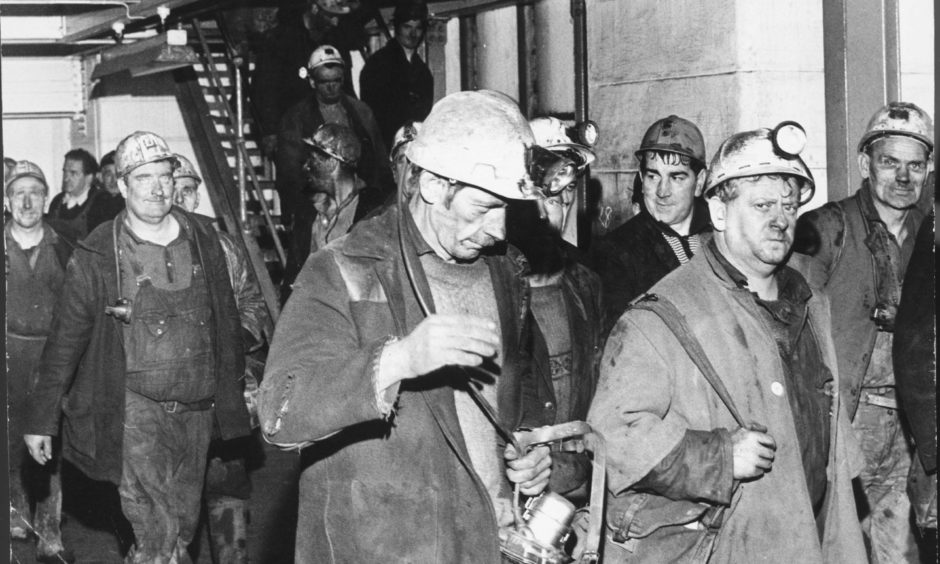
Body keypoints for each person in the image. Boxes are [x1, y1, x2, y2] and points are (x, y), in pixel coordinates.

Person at [258, 90, 554, 563]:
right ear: (434, 185)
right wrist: (397, 360)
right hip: (386, 546)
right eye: (482, 209)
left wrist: (534, 447)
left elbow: (525, 385)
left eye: (507, 210)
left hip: (483, 541)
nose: (498, 230)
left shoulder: (506, 271)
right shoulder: (344, 270)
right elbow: (279, 411)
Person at [589, 125, 866, 563]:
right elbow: (613, 437)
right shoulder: (661, 316)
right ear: (718, 212)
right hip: (730, 546)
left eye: (789, 206)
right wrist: (718, 456)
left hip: (811, 539)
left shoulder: (812, 304)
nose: (780, 219)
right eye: (762, 206)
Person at [24, 131, 251, 564]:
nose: (158, 187)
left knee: (182, 528)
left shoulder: (206, 240)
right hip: (134, 413)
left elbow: (227, 323)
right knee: (155, 529)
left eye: (164, 175)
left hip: (197, 411)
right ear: (123, 186)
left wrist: (238, 392)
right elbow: (66, 339)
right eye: (144, 178)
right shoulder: (98, 253)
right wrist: (42, 417)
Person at [793, 101, 933, 563]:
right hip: (846, 421)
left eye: (915, 166)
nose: (903, 177)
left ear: (929, 170)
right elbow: (791, 327)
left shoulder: (929, 236)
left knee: (900, 548)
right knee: (836, 544)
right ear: (864, 164)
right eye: (889, 162)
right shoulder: (825, 229)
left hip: (909, 428)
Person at [173, 155, 269, 564]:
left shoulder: (224, 246)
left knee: (227, 488)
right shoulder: (145, 249)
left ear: (197, 195)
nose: (180, 197)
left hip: (224, 392)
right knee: (173, 500)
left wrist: (232, 344)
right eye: (172, 189)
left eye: (188, 189)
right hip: (173, 401)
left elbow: (253, 304)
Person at [509, 116, 604, 500]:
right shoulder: (496, 290)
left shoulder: (587, 284)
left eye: (566, 194)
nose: (558, 207)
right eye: (547, 194)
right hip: (520, 486)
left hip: (581, 487)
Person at [5, 161, 76, 564]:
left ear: (46, 198)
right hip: (8, 355)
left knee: (50, 442)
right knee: (10, 437)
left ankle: (51, 530)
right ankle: (16, 513)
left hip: (51, 358)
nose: (27, 201)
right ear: (7, 200)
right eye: (19, 193)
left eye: (35, 192)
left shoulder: (64, 247)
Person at [276, 44, 390, 294]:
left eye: (337, 81)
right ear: (313, 82)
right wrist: (294, 212)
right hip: (315, 203)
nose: (331, 87)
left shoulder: (361, 112)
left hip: (356, 201)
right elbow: (289, 172)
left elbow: (379, 161)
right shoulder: (296, 118)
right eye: (324, 82)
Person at [592, 115, 712, 334]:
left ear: (700, 182)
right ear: (641, 177)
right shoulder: (615, 254)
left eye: (676, 178)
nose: (662, 191)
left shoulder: (720, 240)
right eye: (653, 176)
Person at [250, 0, 362, 157]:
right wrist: (269, 132)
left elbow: (346, 87)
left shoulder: (336, 43)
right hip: (291, 134)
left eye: (338, 17)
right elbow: (264, 89)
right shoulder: (280, 40)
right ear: (314, 8)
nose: (336, 22)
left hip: (328, 135)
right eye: (331, 16)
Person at [301, 123, 390, 257]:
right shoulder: (309, 212)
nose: (306, 166)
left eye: (312, 159)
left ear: (332, 162)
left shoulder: (374, 209)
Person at [359, 0, 434, 148]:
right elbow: (371, 118)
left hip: (414, 150)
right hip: (385, 150)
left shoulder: (423, 72)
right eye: (407, 27)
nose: (413, 34)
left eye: (418, 28)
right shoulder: (377, 65)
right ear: (396, 27)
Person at [46, 148, 120, 243]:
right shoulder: (57, 201)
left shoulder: (102, 202)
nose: (66, 178)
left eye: (73, 173)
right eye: (65, 172)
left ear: (89, 178)